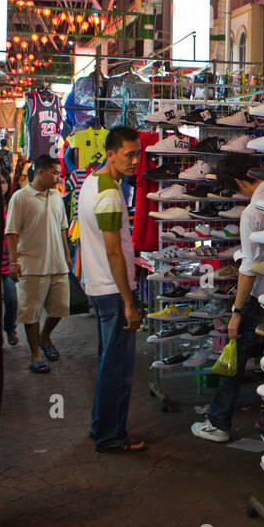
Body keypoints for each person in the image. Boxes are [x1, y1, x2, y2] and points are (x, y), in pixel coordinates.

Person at [192, 152, 264, 443]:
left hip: (263, 296)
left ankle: (219, 422)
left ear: (240, 181)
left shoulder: (253, 213)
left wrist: (236, 311)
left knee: (235, 356)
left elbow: (250, 269)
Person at [77, 125, 146, 454]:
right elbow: (113, 251)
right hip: (111, 289)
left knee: (108, 362)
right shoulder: (107, 194)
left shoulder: (93, 183)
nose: (135, 161)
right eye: (129, 155)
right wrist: (129, 301)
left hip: (98, 284)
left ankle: (100, 426)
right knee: (116, 368)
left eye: (138, 154)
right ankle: (111, 436)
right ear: (111, 155)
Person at [5, 154, 71, 373]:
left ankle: (45, 336)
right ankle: (35, 353)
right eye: (55, 173)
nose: (58, 178)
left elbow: (62, 228)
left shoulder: (56, 197)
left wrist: (67, 255)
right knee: (30, 312)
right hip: (31, 265)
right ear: (41, 172)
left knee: (61, 308)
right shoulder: (20, 197)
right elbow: (12, 233)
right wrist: (13, 262)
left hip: (57, 263)